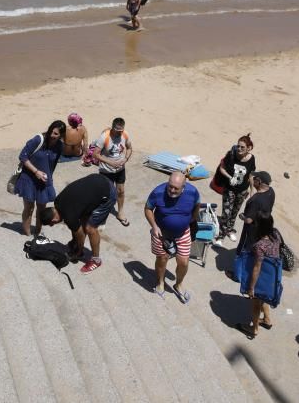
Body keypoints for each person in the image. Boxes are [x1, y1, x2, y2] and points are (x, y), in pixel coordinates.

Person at [40, 172, 116, 274]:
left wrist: (79, 251)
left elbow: (79, 233)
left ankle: (96, 260)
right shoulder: (58, 201)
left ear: (53, 220)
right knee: (83, 217)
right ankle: (76, 245)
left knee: (90, 228)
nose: (54, 224)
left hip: (107, 193)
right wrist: (74, 240)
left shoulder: (68, 216)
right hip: (98, 179)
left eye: (52, 224)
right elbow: (74, 225)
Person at [144, 171, 200, 303]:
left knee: (183, 262)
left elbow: (197, 204)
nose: (172, 190)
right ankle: (160, 282)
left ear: (184, 187)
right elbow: (147, 208)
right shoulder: (158, 192)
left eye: (176, 188)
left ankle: (178, 284)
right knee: (162, 259)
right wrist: (154, 226)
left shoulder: (193, 192)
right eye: (170, 186)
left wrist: (193, 218)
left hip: (183, 233)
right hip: (162, 234)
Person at [15, 119, 66, 237]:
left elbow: (52, 165)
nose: (52, 135)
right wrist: (36, 171)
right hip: (29, 179)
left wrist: (49, 178)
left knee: (42, 209)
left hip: (44, 181)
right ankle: (27, 232)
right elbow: (23, 156)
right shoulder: (38, 140)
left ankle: (37, 232)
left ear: (61, 136)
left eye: (56, 134)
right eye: (51, 132)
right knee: (29, 208)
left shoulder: (59, 146)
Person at [236, 213, 281, 339]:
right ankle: (267, 320)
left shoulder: (259, 245)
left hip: (261, 278)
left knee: (256, 303)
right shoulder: (276, 235)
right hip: (271, 278)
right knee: (264, 298)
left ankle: (254, 328)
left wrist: (251, 288)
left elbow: (257, 267)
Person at [213, 134, 257, 245]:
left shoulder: (251, 159)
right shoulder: (231, 155)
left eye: (242, 147)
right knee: (226, 212)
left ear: (249, 148)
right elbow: (222, 168)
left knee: (235, 212)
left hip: (242, 190)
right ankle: (221, 235)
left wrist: (251, 191)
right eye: (238, 146)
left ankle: (230, 229)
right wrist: (229, 177)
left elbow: (251, 175)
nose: (239, 149)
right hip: (229, 188)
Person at [92, 118, 133, 226]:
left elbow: (129, 148)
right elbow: (95, 154)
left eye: (121, 130)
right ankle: (101, 214)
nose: (119, 132)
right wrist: (110, 162)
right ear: (112, 127)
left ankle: (120, 213)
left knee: (121, 191)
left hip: (120, 169)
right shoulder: (104, 137)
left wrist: (126, 159)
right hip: (106, 170)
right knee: (107, 195)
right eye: (117, 130)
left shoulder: (125, 135)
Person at [237, 171, 274, 252]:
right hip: (263, 228)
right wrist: (252, 186)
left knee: (244, 249)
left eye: (255, 179)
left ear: (259, 181)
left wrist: (242, 216)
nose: (253, 180)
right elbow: (257, 196)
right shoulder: (271, 192)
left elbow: (248, 220)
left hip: (251, 231)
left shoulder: (256, 200)